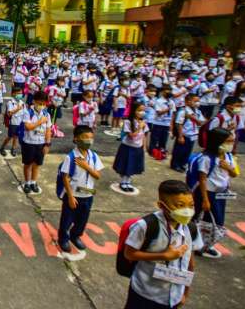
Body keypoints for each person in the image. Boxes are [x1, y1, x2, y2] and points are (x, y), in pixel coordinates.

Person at [123, 180, 202, 309]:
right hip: (145, 293)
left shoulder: (191, 228)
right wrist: (164, 256)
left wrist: (185, 292)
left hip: (174, 296)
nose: (187, 211)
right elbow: (129, 253)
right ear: (161, 205)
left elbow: (190, 262)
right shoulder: (146, 226)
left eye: (191, 205)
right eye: (180, 205)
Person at [193, 128, 239, 259]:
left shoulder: (228, 156)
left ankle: (207, 244)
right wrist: (205, 200)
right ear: (217, 142)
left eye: (232, 141)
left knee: (217, 221)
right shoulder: (206, 159)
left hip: (221, 193)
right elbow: (202, 179)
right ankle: (200, 244)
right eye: (228, 141)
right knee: (205, 220)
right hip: (208, 193)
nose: (231, 144)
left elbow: (234, 174)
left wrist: (228, 168)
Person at [58, 125, 104, 253]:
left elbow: (97, 175)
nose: (88, 140)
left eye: (91, 138)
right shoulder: (71, 157)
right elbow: (65, 177)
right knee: (67, 219)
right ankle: (63, 239)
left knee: (82, 219)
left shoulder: (94, 157)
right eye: (85, 138)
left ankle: (75, 235)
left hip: (88, 194)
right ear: (76, 139)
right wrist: (71, 197)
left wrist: (86, 166)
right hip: (73, 195)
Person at [19, 92, 52, 194]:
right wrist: (40, 122)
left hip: (41, 143)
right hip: (28, 142)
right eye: (39, 103)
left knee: (37, 164)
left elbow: (48, 130)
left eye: (43, 104)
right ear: (34, 101)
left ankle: (33, 182)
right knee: (28, 164)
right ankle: (27, 183)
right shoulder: (28, 112)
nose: (41, 106)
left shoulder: (46, 114)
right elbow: (28, 127)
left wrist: (47, 144)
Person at [113, 102, 149, 193]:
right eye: (139, 110)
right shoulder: (128, 121)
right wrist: (139, 128)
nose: (142, 112)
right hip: (128, 147)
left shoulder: (143, 122)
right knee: (126, 165)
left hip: (138, 147)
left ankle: (128, 182)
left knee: (133, 165)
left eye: (143, 110)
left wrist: (144, 147)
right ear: (134, 111)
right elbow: (131, 136)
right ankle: (123, 182)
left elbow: (144, 135)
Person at [170, 94, 205, 172]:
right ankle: (175, 165)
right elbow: (179, 124)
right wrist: (180, 136)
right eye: (195, 101)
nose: (197, 103)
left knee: (187, 151)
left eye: (198, 101)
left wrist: (193, 118)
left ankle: (183, 164)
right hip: (184, 134)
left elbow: (202, 122)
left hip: (192, 135)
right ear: (188, 101)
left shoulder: (197, 111)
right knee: (179, 151)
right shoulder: (183, 111)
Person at [0, 87, 25, 159]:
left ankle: (13, 149)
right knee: (10, 136)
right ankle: (2, 148)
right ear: (13, 94)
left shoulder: (22, 103)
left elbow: (25, 113)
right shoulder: (10, 103)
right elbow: (9, 114)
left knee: (16, 137)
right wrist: (17, 109)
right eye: (18, 93)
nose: (20, 95)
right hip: (13, 123)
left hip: (20, 123)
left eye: (21, 93)